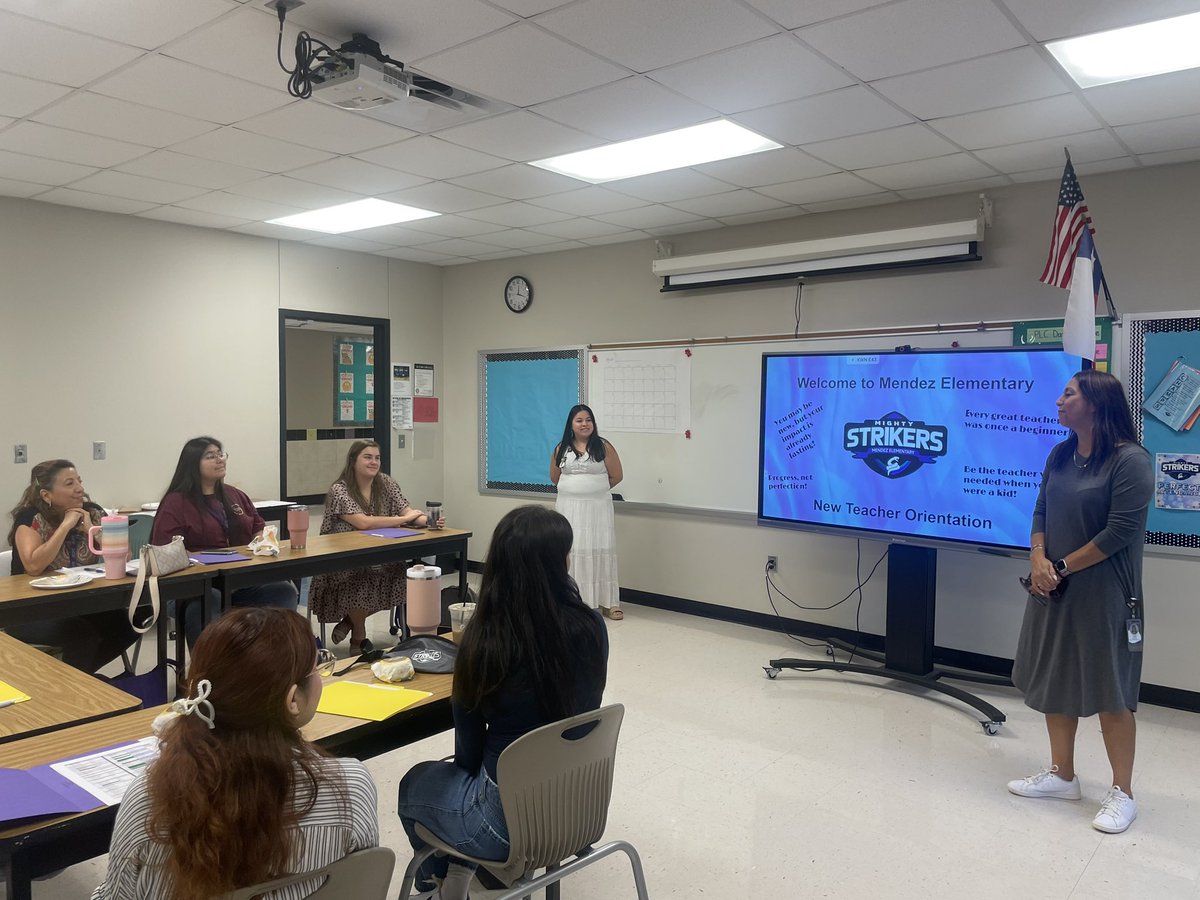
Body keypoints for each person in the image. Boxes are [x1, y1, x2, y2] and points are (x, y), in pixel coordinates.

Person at [92, 607, 378, 899]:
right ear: (293, 699)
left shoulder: (150, 799)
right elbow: (362, 883)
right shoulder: (351, 789)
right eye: (316, 668)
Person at [397, 506, 608, 900]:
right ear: (556, 563)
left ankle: (437, 886)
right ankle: (465, 873)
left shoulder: (487, 639)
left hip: (505, 829)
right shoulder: (591, 625)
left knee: (414, 784)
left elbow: (468, 755)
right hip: (578, 808)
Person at [1008, 369, 1153, 834]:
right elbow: (1041, 510)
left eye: (1068, 394)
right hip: (1052, 586)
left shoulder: (1130, 461)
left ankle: (1123, 793)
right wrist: (1037, 558)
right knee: (1056, 676)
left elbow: (1119, 532)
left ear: (1094, 403)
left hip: (1106, 595)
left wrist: (1059, 568)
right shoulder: (1061, 453)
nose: (1059, 401)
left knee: (1112, 690)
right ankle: (1062, 775)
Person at [151, 437, 297, 645]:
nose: (219, 460)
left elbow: (259, 527)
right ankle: (207, 671)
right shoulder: (176, 502)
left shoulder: (234, 494)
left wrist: (260, 542)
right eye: (210, 456)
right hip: (192, 587)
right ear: (193, 464)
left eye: (221, 454)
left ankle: (268, 660)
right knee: (209, 599)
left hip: (238, 581)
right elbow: (163, 550)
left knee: (282, 591)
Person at [6, 459, 136, 672]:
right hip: (30, 611)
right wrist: (65, 526)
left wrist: (91, 530)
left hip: (79, 602)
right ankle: (74, 686)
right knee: (81, 634)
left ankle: (76, 676)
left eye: (79, 481)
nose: (79, 489)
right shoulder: (30, 518)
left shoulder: (92, 512)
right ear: (46, 495)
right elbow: (33, 566)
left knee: (130, 623)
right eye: (69, 484)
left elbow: (126, 555)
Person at [308, 439, 437, 651]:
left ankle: (350, 622)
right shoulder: (339, 490)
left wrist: (429, 521)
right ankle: (359, 635)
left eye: (377, 458)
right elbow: (363, 523)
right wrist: (400, 520)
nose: (373, 462)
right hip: (342, 562)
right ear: (353, 461)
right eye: (367, 457)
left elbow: (407, 511)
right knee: (360, 582)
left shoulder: (386, 483)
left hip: (380, 556)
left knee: (403, 578)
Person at [550, 404, 624, 619]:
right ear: (571, 425)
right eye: (579, 420)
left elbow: (617, 475)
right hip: (568, 508)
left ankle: (609, 602)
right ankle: (572, 600)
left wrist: (593, 490)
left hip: (597, 509)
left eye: (588, 420)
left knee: (600, 549)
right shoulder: (560, 448)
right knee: (571, 551)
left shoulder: (604, 447)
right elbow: (555, 477)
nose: (585, 424)